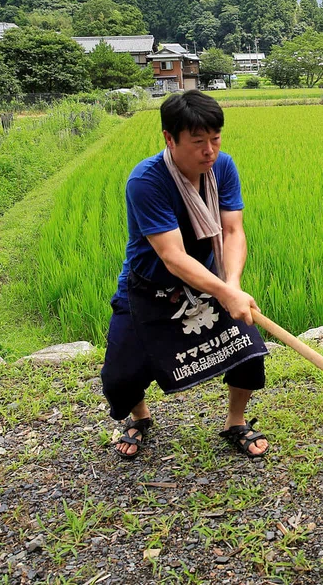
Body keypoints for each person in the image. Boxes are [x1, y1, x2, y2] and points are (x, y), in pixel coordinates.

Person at [101, 89, 269, 460]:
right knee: (120, 377)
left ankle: (235, 421)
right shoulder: (146, 181)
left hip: (208, 280)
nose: (210, 151)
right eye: (198, 142)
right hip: (149, 287)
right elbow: (173, 256)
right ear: (169, 139)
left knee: (248, 351)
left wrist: (232, 285)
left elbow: (233, 231)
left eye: (215, 139)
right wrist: (225, 292)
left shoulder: (222, 167)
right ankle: (140, 416)